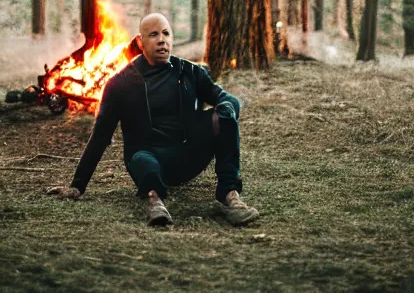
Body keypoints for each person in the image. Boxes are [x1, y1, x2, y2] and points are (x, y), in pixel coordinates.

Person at [51, 13, 259, 227]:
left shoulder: (189, 71)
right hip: (149, 159)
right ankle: (154, 201)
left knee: (225, 113)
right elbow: (101, 135)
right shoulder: (120, 84)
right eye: (153, 34)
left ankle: (230, 196)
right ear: (140, 42)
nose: (162, 39)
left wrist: (226, 113)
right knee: (142, 159)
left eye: (166, 33)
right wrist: (78, 184)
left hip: (188, 155)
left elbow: (228, 99)